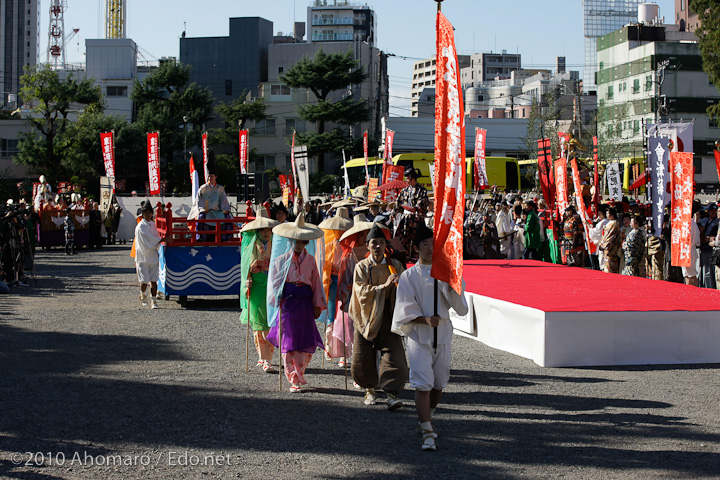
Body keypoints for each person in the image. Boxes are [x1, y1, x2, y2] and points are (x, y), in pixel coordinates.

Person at [392, 223, 468, 451]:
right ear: (416, 248)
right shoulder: (408, 276)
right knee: (423, 385)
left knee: (439, 383)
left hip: (442, 332)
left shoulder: (446, 272)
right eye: (425, 244)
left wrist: (453, 287)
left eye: (432, 245)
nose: (429, 248)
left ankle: (429, 416)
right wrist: (423, 319)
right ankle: (426, 430)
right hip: (419, 336)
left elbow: (461, 307)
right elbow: (404, 308)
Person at [349, 223, 408, 409]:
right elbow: (360, 291)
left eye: (381, 242)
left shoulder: (395, 265)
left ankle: (391, 392)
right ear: (367, 245)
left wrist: (401, 284)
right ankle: (369, 390)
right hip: (365, 315)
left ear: (385, 245)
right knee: (363, 354)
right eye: (373, 242)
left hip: (389, 314)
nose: (377, 246)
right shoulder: (362, 267)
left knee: (393, 354)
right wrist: (383, 287)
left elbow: (406, 290)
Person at [267, 213, 327, 392]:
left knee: (305, 343)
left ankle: (300, 372)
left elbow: (316, 281)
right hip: (288, 305)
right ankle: (293, 377)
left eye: (301, 241)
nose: (298, 244)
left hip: (305, 304)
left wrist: (317, 305)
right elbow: (275, 284)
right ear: (289, 240)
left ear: (306, 242)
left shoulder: (310, 261)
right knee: (288, 342)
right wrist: (276, 299)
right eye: (295, 241)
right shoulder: (280, 261)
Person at [240, 209, 279, 373]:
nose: (266, 232)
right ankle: (263, 358)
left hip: (270, 287)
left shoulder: (276, 245)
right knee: (257, 325)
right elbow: (244, 267)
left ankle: (268, 358)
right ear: (257, 230)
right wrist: (246, 280)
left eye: (268, 229)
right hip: (255, 287)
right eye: (262, 230)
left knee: (269, 323)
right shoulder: (250, 245)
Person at [318, 207, 354, 366]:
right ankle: (330, 347)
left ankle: (344, 354)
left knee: (346, 316)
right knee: (331, 315)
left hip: (347, 281)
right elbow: (323, 262)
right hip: (332, 281)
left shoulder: (352, 244)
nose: (340, 231)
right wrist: (326, 277)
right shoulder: (329, 241)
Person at [188, 153, 232, 242]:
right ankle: (202, 237)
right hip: (207, 211)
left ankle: (225, 238)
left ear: (215, 177)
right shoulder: (203, 189)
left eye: (211, 176)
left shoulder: (220, 188)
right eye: (208, 176)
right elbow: (199, 200)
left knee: (227, 217)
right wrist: (203, 209)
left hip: (218, 211)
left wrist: (225, 209)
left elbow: (223, 200)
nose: (209, 178)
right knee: (201, 217)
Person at [134, 203, 169, 308]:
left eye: (150, 213)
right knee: (144, 280)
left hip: (153, 255)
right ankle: (143, 295)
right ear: (143, 214)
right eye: (147, 213)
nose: (149, 215)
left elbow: (155, 237)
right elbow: (148, 239)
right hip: (143, 256)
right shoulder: (140, 226)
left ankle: (154, 301)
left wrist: (160, 240)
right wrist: (162, 240)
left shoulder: (152, 224)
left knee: (154, 279)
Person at [397, 167, 429, 259]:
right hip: (406, 217)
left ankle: (417, 256)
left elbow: (423, 201)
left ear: (412, 178)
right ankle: (405, 256)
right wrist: (395, 213)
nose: (406, 180)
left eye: (407, 178)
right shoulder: (404, 191)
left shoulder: (421, 190)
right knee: (404, 237)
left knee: (417, 238)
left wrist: (415, 208)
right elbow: (398, 203)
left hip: (416, 217)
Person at [599, 207, 621, 273]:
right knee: (606, 264)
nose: (607, 214)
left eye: (608, 213)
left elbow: (611, 236)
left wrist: (605, 245)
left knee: (611, 265)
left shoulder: (615, 223)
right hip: (606, 244)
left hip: (611, 246)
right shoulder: (609, 223)